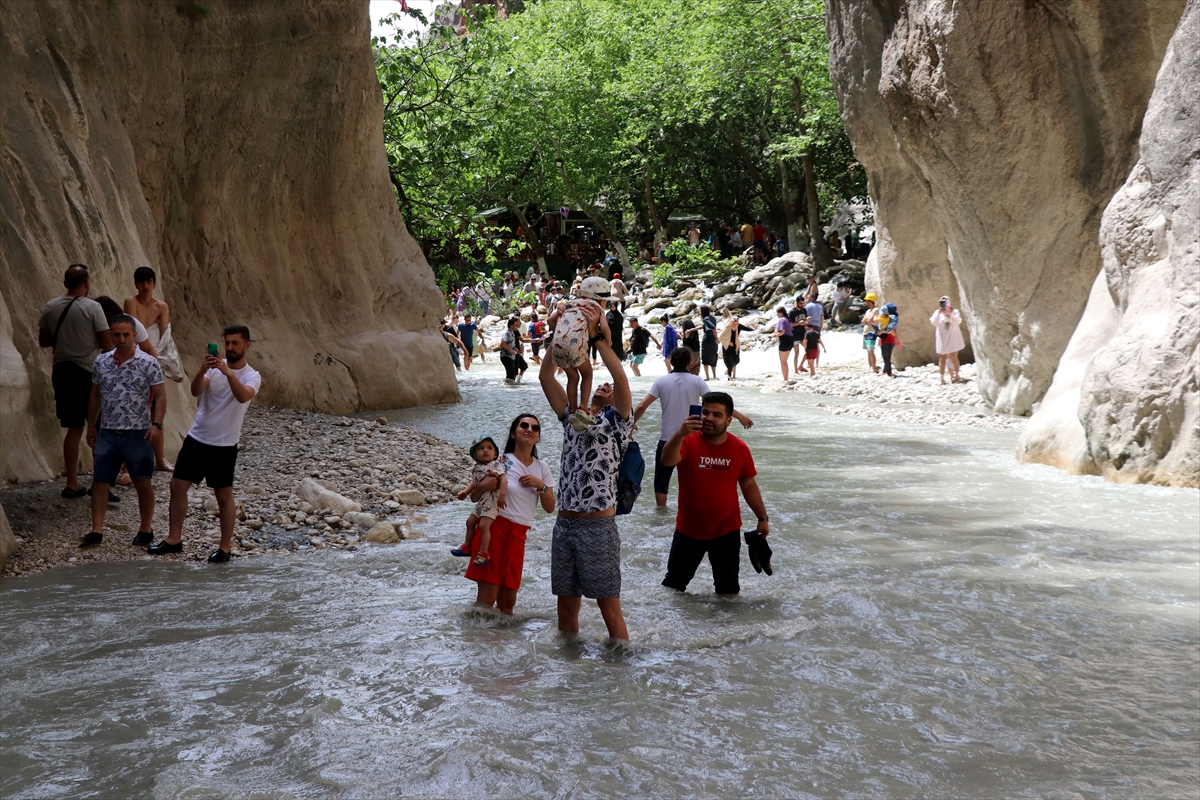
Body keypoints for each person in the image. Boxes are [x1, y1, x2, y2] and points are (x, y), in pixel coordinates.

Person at [539, 302, 632, 640]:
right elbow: (545, 377)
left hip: (597, 526)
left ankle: (621, 659)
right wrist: (562, 332)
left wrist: (597, 338)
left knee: (609, 606)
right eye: (601, 384)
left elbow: (620, 377)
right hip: (564, 524)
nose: (606, 385)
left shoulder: (618, 423)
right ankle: (568, 661)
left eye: (609, 388)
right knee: (565, 607)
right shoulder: (571, 417)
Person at [148, 325, 262, 563]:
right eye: (227, 343)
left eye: (235, 343)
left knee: (223, 495)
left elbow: (243, 396)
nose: (230, 347)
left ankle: (225, 547)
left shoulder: (252, 375)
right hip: (198, 437)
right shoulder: (214, 368)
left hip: (225, 444)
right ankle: (174, 539)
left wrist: (228, 373)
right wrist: (202, 370)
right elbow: (195, 390)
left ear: (247, 345)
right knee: (177, 486)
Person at [659, 391, 768, 596]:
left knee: (728, 594)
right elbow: (667, 460)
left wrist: (762, 518)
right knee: (672, 590)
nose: (708, 418)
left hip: (726, 532)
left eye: (716, 415)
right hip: (688, 531)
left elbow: (748, 484)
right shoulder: (688, 441)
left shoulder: (740, 448)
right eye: (705, 412)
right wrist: (680, 434)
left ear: (729, 421)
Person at [83, 314, 166, 546]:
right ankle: (96, 530)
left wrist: (157, 425)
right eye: (117, 335)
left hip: (139, 432)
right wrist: (91, 425)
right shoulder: (102, 361)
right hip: (108, 431)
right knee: (100, 481)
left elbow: (160, 396)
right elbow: (95, 395)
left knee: (142, 482)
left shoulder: (149, 363)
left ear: (135, 335)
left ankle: (145, 529)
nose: (122, 339)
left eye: (126, 335)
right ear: (111, 335)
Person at [633, 347, 753, 507]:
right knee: (693, 479)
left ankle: (661, 513)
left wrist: (630, 424)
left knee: (661, 481)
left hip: (668, 440)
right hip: (692, 440)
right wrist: (740, 417)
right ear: (690, 363)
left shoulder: (661, 381)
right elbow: (716, 403)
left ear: (671, 362)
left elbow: (642, 406)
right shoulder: (697, 381)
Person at [38, 264, 114, 500]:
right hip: (89, 373)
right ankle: (99, 483)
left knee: (74, 428)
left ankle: (71, 483)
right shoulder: (93, 307)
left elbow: (43, 341)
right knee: (98, 426)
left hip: (62, 372)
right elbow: (107, 344)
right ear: (87, 283)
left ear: (65, 283)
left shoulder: (51, 306)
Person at [465, 415, 555, 613]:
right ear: (513, 433)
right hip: (494, 528)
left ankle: (499, 635)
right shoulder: (500, 461)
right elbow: (474, 498)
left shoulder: (542, 467)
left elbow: (550, 508)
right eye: (524, 425)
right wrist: (484, 485)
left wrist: (541, 485)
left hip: (518, 535)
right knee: (487, 599)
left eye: (535, 428)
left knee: (508, 603)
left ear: (538, 437)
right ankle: (475, 632)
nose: (529, 429)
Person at [548, 276, 610, 428]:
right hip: (575, 345)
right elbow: (604, 327)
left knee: (573, 377)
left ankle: (572, 410)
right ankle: (582, 408)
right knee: (587, 374)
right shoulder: (596, 307)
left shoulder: (568, 304)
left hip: (556, 345)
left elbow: (550, 321)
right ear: (601, 300)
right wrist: (609, 342)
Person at [452, 435, 509, 567]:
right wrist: (465, 492)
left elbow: (503, 479)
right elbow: (474, 482)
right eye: (481, 448)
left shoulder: (495, 465)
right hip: (481, 501)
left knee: (483, 526)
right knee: (469, 522)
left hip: (492, 500)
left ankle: (484, 553)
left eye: (489, 448)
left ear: (495, 454)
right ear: (474, 455)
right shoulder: (477, 468)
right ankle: (467, 546)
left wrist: (503, 495)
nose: (485, 450)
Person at [930, 296, 965, 384]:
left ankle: (957, 375)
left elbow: (958, 321)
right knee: (942, 357)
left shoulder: (955, 311)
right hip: (942, 338)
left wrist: (950, 314)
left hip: (953, 336)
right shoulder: (938, 313)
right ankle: (942, 378)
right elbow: (934, 322)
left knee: (954, 356)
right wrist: (939, 312)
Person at [718, 309, 751, 379]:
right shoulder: (727, 327)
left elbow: (746, 328)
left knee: (736, 360)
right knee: (729, 362)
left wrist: (754, 329)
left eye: (736, 323)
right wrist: (728, 342)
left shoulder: (737, 326)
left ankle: (730, 374)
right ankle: (729, 377)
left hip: (735, 345)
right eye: (734, 324)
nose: (735, 325)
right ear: (731, 323)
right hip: (727, 346)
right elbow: (721, 337)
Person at [499, 317, 530, 383]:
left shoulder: (512, 333)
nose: (517, 326)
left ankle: (515, 385)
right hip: (506, 357)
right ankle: (506, 387)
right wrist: (510, 350)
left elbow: (511, 344)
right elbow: (502, 343)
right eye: (516, 325)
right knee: (510, 376)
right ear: (511, 326)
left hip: (512, 356)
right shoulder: (507, 333)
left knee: (514, 374)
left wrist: (515, 349)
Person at [877, 301, 900, 377]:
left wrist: (882, 331)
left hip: (889, 337)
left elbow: (891, 326)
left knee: (886, 355)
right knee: (885, 354)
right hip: (887, 336)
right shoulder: (890, 316)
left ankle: (889, 372)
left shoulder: (892, 317)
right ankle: (885, 371)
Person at [861, 293, 880, 374]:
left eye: (866, 301)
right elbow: (863, 321)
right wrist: (867, 320)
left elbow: (870, 321)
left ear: (870, 301)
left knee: (871, 351)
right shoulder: (868, 311)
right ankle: (870, 367)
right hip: (865, 333)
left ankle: (874, 367)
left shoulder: (876, 310)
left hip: (871, 333)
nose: (865, 302)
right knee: (868, 351)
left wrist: (867, 320)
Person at [787, 297, 807, 373]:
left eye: (803, 303)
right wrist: (798, 323)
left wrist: (806, 321)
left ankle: (801, 366)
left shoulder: (804, 310)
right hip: (794, 335)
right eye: (800, 303)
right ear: (797, 302)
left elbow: (804, 321)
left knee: (808, 350)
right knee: (797, 353)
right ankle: (796, 371)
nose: (802, 305)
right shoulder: (792, 312)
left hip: (803, 334)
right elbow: (788, 324)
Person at [773, 307, 794, 380]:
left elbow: (782, 331)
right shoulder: (788, 319)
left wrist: (776, 335)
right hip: (791, 340)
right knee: (785, 360)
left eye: (777, 313)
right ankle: (786, 377)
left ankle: (785, 378)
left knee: (783, 361)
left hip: (784, 340)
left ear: (780, 313)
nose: (777, 315)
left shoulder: (781, 320)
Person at [699, 305, 719, 381]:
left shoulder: (706, 319)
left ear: (703, 311)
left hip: (707, 339)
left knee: (705, 358)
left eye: (700, 310)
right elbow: (704, 326)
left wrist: (717, 338)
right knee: (713, 357)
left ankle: (707, 377)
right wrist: (693, 329)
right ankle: (714, 376)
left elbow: (713, 327)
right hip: (713, 340)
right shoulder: (712, 318)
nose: (699, 312)